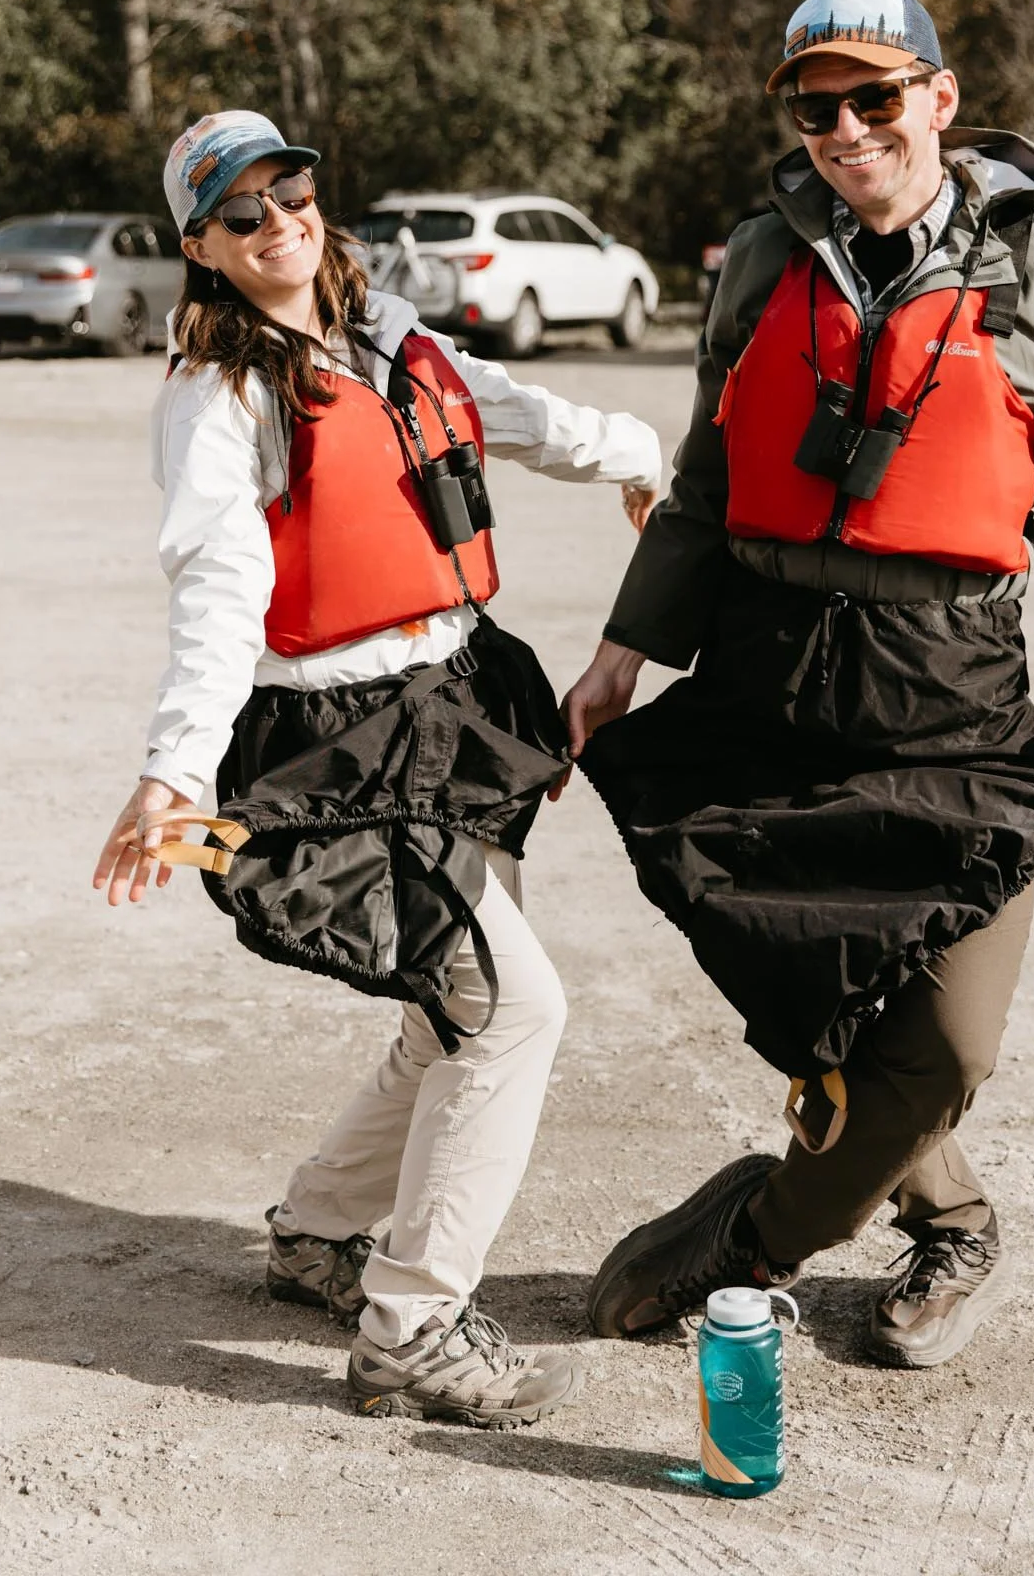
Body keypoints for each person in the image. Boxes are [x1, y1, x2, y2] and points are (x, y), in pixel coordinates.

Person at [563, 0, 1034, 1368]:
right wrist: (624, 650)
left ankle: (758, 1235)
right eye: (818, 109)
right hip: (767, 673)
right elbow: (706, 478)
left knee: (946, 1044)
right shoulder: (763, 258)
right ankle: (952, 1218)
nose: (847, 130)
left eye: (875, 97)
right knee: (801, 989)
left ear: (939, 97)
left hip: (949, 692)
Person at [93, 110, 660, 1427]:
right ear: (201, 247)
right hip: (339, 743)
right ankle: (411, 1328)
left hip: (455, 702)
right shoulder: (220, 396)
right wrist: (175, 768)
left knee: (448, 1003)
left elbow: (518, 416)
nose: (278, 221)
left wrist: (642, 461)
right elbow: (218, 587)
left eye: (290, 190)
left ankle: (317, 1234)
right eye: (240, 212)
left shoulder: (386, 333)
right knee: (507, 1009)